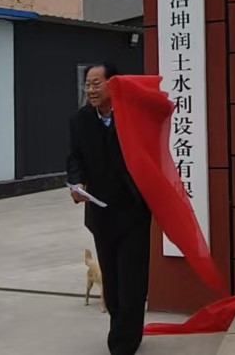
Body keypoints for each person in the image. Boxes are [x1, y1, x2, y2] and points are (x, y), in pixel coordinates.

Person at [66, 62, 152, 355]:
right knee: (112, 283)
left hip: (133, 211)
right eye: (87, 84)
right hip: (101, 213)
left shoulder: (132, 115)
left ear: (113, 84)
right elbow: (74, 158)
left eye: (96, 83)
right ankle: (122, 331)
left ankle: (124, 343)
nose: (90, 90)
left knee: (132, 280)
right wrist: (76, 183)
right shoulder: (79, 120)